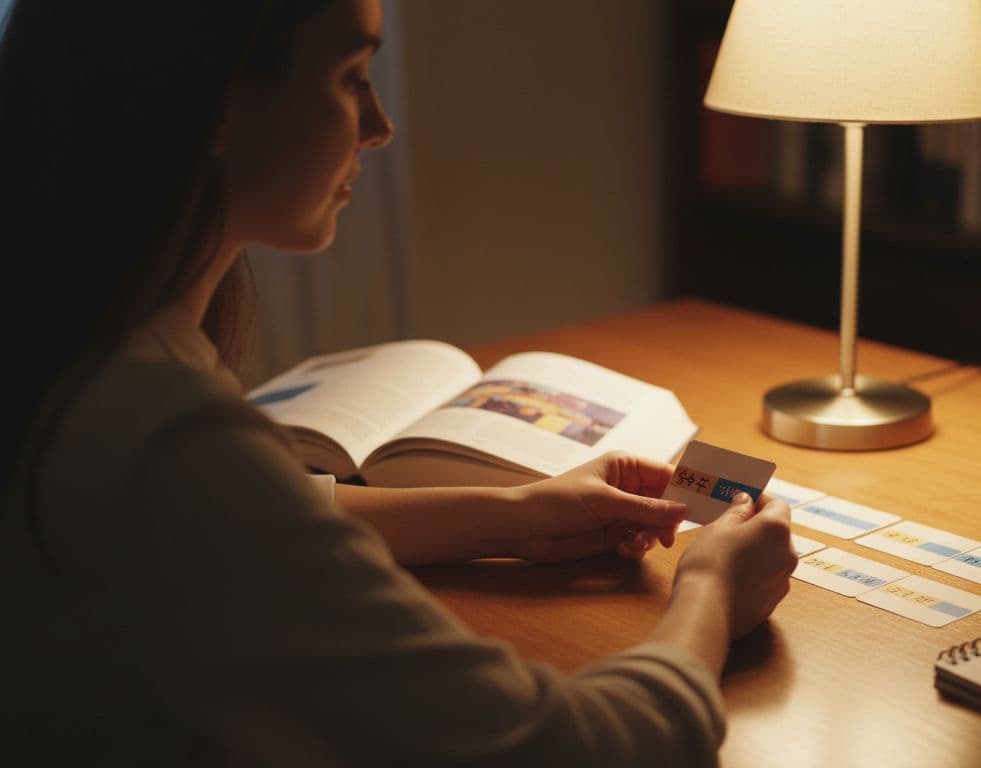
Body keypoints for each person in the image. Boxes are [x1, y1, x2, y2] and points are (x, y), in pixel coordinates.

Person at [0, 1, 797, 765]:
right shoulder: (164, 437)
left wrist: (511, 516)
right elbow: (580, 751)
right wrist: (711, 593)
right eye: (351, 77)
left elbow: (260, 520)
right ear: (216, 105)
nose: (379, 128)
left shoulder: (72, 346)